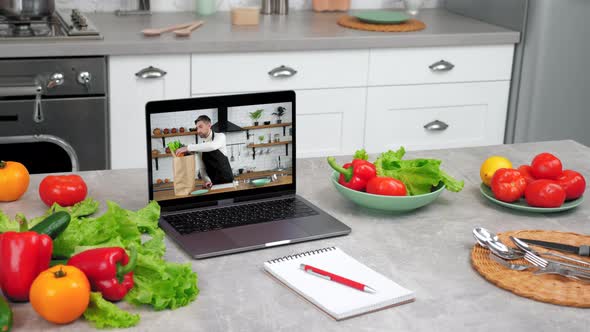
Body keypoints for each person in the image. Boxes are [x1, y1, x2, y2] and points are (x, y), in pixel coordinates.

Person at [175, 115, 233, 188]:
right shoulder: (201, 147)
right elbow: (202, 168)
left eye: (200, 127)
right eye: (197, 128)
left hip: (227, 183)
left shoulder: (220, 136)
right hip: (213, 185)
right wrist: (207, 180)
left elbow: (212, 146)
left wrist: (188, 147)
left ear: (209, 125)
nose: (198, 131)